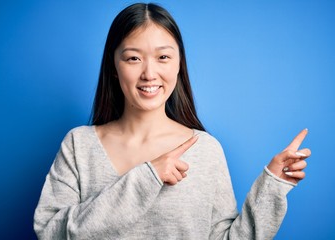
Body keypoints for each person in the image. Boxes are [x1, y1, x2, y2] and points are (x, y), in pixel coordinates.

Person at [34, 3, 311, 239]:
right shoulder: (79, 145)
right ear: (114, 67)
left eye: (163, 57)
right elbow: (48, 232)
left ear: (179, 64)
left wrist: (272, 185)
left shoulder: (205, 149)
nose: (149, 73)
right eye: (133, 58)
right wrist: (147, 177)